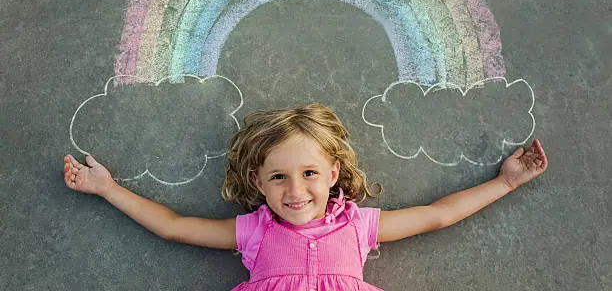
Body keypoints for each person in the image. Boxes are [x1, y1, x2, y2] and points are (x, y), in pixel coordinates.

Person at [63, 103, 548, 290]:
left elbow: (438, 216)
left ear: (334, 173)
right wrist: (107, 189)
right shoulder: (253, 231)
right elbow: (172, 225)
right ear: (258, 183)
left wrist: (504, 182)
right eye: (278, 178)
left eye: (310, 172)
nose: (296, 191)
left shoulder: (358, 225)